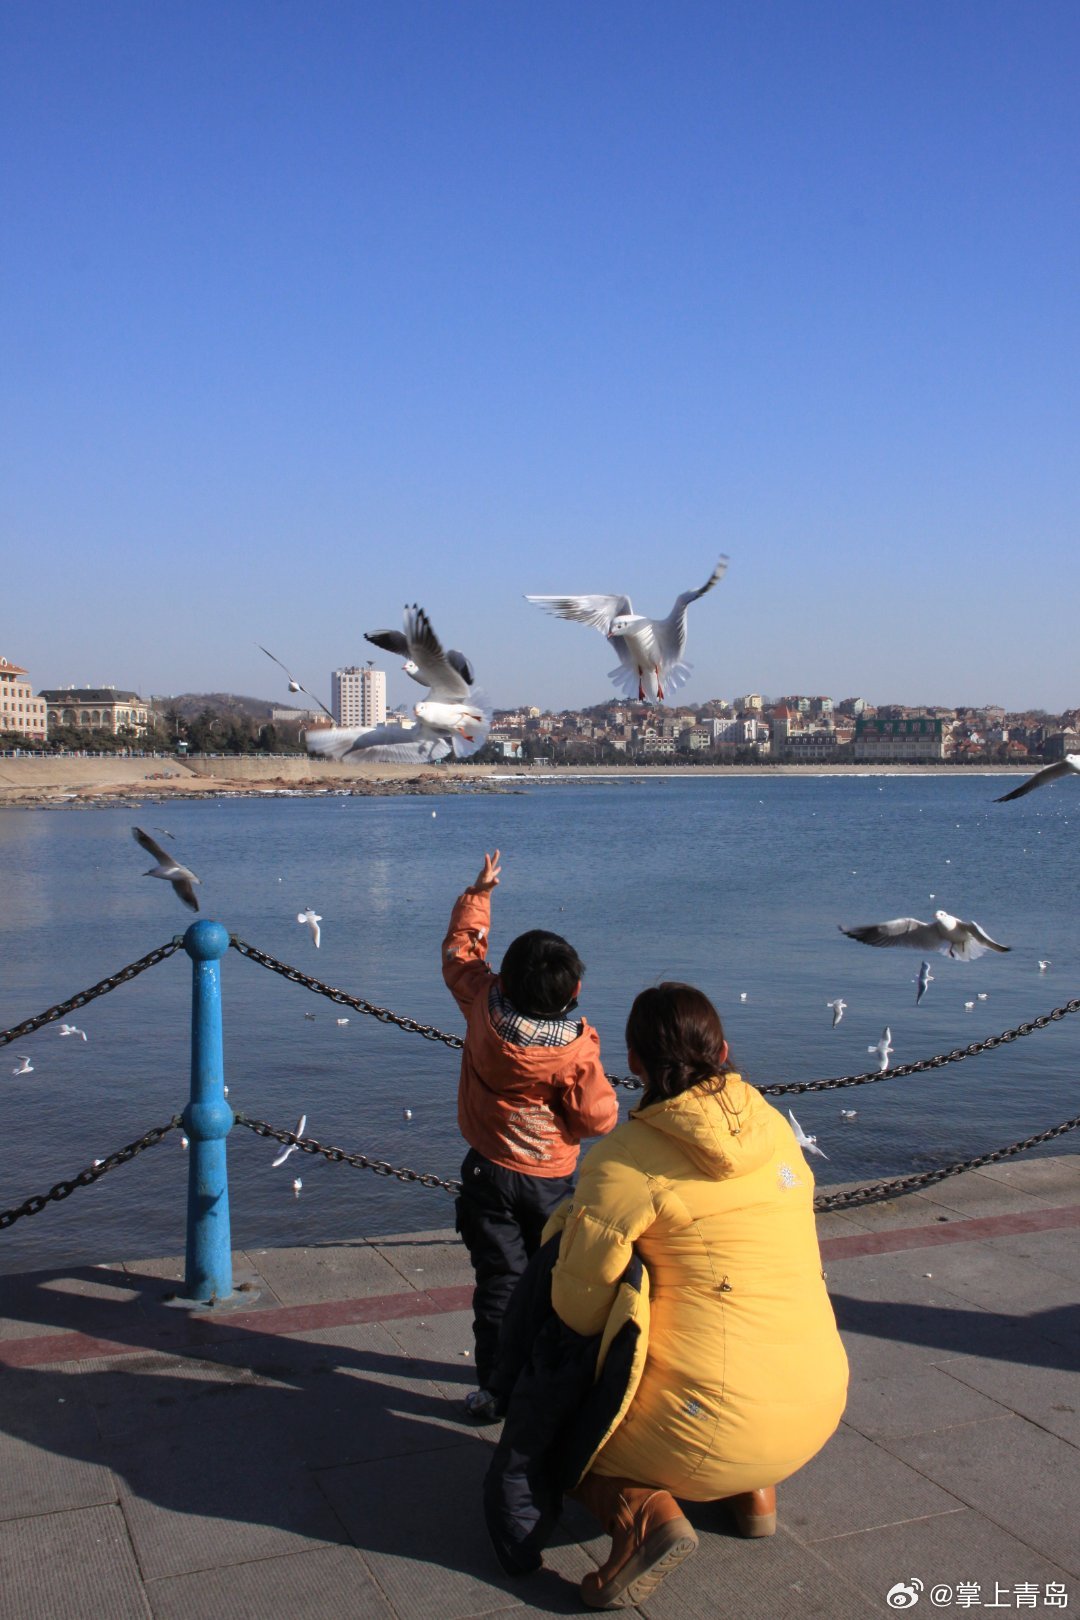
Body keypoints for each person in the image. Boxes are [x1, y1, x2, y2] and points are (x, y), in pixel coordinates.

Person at [547, 981, 849, 1610]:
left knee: (561, 1420)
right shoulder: (773, 1127)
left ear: (631, 1063)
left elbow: (577, 1308)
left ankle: (643, 1516)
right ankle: (755, 1495)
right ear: (725, 1050)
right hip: (818, 1405)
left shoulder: (625, 1159)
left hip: (706, 1428)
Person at [442, 849, 619, 1421]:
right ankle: (546, 1381)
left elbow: (460, 954)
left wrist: (480, 895)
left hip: (488, 1169)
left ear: (506, 978)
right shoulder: (576, 1046)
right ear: (574, 995)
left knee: (499, 1281)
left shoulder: (481, 1004)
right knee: (552, 1284)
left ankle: (495, 1387)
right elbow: (597, 1119)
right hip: (549, 1179)